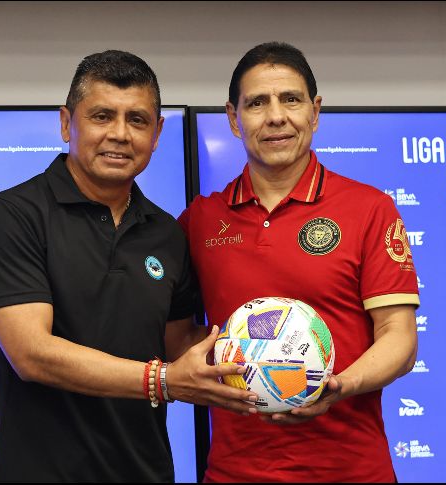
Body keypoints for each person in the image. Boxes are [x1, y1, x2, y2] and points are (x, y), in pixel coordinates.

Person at [0, 50, 256, 483]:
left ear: (156, 134)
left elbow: (180, 347)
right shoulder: (15, 214)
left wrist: (280, 358)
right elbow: (32, 355)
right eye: (102, 116)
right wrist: (164, 381)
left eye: (137, 120)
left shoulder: (167, 233)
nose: (120, 134)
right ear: (67, 123)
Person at [177, 42, 420, 482]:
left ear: (315, 111)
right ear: (233, 119)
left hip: (352, 472)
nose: (276, 117)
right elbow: (179, 337)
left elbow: (399, 340)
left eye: (290, 99)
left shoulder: (369, 208)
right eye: (257, 103)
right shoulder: (199, 220)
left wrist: (338, 385)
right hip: (234, 473)